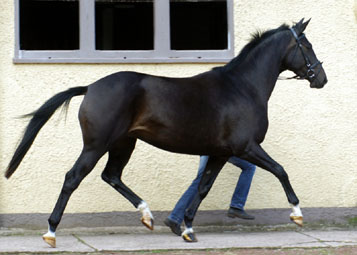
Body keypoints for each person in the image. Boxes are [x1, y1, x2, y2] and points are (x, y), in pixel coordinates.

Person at [164, 156, 256, 236]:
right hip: (215, 146)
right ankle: (236, 206)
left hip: (208, 145)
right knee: (249, 166)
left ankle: (175, 218)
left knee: (200, 181)